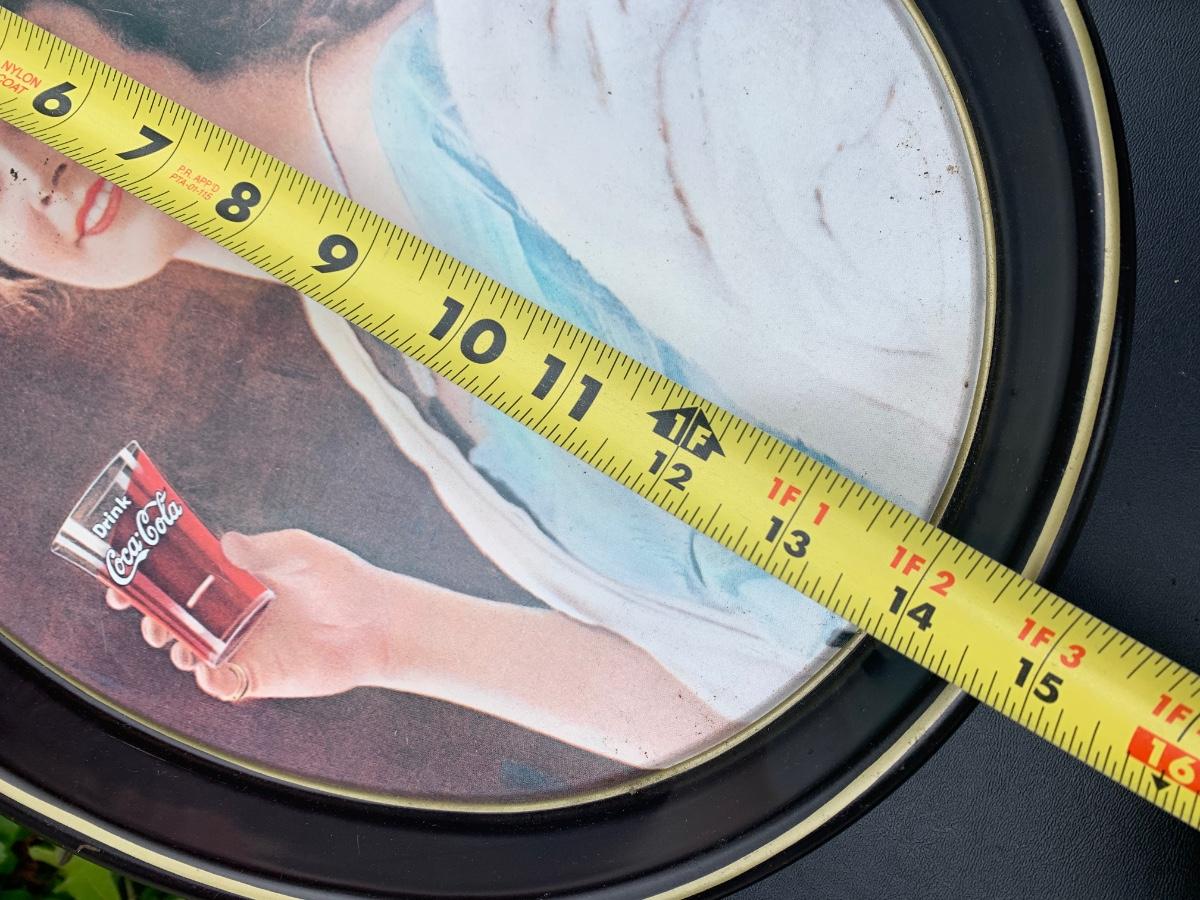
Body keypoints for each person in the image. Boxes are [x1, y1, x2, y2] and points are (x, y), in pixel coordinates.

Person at [0, 0, 984, 769]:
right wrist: (387, 635)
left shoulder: (551, 43)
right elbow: (758, 709)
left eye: (14, 88)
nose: (25, 169)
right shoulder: (372, 354)